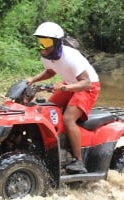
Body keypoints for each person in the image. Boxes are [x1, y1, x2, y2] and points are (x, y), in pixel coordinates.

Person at [27, 22, 100, 174]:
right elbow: (50, 72)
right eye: (40, 42)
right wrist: (32, 80)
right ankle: (53, 146)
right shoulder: (47, 55)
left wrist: (65, 88)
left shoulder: (71, 57)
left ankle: (78, 161)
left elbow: (86, 83)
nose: (43, 46)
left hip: (89, 86)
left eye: (46, 42)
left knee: (68, 119)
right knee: (49, 110)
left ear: (57, 42)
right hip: (70, 83)